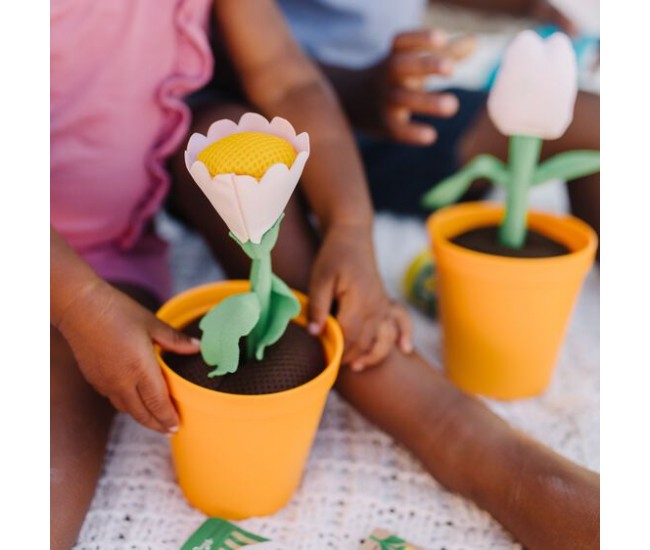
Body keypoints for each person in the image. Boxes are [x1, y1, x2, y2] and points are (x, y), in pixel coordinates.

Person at [51, 2, 598, 550]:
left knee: (306, 280)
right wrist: (80, 306)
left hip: (116, 253)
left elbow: (288, 81)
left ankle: (493, 459)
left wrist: (350, 228)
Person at [203, 0, 600, 238]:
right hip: (270, 127)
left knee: (600, 127)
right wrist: (352, 91)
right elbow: (189, 37)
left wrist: (526, 6)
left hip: (398, 107)